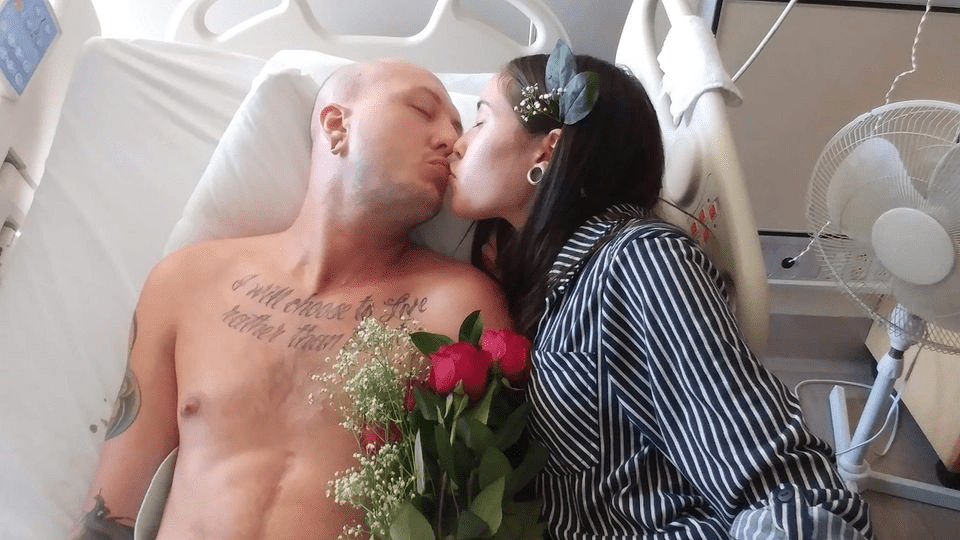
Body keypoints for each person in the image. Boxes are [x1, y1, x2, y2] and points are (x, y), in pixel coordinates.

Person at [447, 42, 874, 540]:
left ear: (547, 147)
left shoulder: (641, 261)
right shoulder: (543, 284)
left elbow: (785, 491)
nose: (458, 142)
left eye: (479, 121)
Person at [71, 59, 511, 540]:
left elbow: (485, 510)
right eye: (423, 110)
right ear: (336, 124)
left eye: (457, 125)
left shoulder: (460, 306)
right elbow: (109, 516)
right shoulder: (187, 283)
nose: (450, 141)